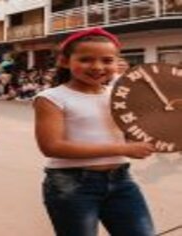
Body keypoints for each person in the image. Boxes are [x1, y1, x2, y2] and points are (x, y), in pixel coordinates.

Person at [33, 28, 155, 236]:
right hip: (71, 185)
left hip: (121, 180)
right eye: (86, 59)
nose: (98, 67)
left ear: (117, 63)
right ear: (64, 61)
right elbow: (51, 147)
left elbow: (131, 135)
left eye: (107, 60)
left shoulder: (120, 95)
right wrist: (124, 148)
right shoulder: (51, 98)